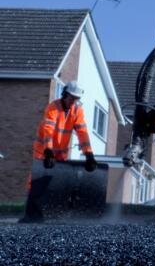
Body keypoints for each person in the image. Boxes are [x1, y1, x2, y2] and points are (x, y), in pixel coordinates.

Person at [18, 80, 97, 223]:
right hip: (44, 151)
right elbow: (49, 130)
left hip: (60, 153)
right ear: (65, 94)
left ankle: (51, 214)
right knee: (37, 181)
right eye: (71, 98)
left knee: (56, 181)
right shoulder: (53, 108)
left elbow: (82, 132)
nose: (73, 101)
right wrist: (48, 151)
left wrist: (89, 154)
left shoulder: (77, 111)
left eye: (76, 99)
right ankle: (30, 215)